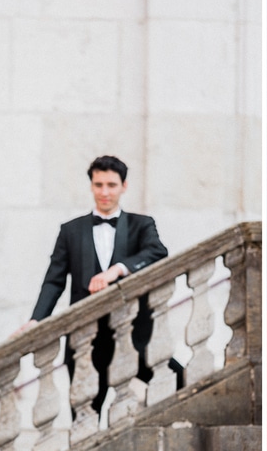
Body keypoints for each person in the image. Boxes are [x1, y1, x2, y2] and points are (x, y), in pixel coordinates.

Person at [23, 155, 170, 415]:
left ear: (124, 186)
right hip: (85, 337)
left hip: (135, 333)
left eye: (111, 185)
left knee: (177, 381)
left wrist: (117, 270)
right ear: (91, 185)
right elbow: (54, 280)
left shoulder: (142, 224)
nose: (104, 192)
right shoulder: (70, 230)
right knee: (86, 412)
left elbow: (157, 251)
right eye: (98, 184)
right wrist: (37, 320)